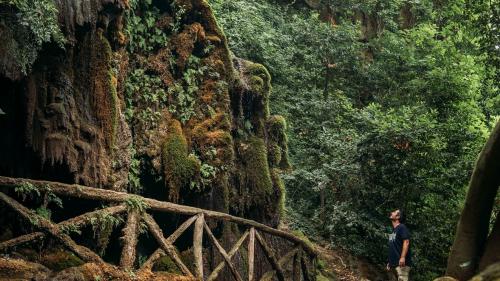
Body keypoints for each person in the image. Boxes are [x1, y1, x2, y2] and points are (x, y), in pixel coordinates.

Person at [386, 209, 412, 281]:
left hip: (402, 264)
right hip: (394, 264)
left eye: (394, 212)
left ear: (398, 217)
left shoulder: (402, 227)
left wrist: (403, 257)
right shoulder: (393, 230)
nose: (391, 212)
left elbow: (406, 242)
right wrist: (390, 261)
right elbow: (393, 246)